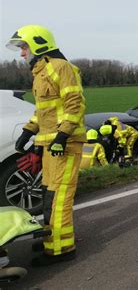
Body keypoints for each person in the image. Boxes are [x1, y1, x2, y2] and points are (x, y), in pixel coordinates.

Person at [7, 25, 85, 266]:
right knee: (49, 194)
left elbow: (75, 104)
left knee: (60, 197)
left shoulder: (61, 68)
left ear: (38, 45)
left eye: (24, 47)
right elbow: (44, 111)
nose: (21, 54)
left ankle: (61, 249)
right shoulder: (40, 73)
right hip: (51, 144)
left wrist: (62, 136)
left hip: (66, 143)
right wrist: (27, 132)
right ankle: (52, 238)